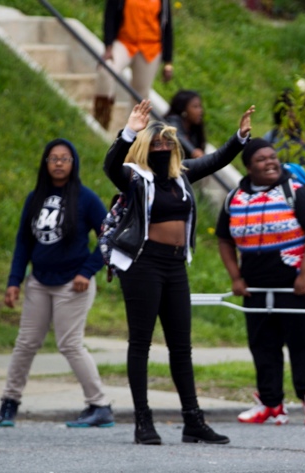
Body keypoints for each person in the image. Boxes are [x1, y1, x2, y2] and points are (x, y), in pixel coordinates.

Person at [102, 99, 254, 445]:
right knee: (141, 343)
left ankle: (193, 421)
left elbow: (216, 160)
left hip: (174, 265)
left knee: (181, 346)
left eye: (167, 143)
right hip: (143, 265)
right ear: (144, 147)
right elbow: (111, 165)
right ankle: (143, 422)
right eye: (155, 143)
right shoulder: (135, 178)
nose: (162, 148)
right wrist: (129, 132)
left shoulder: (181, 176)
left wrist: (240, 137)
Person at [0, 139, 112, 429]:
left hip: (73, 285)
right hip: (38, 282)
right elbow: (24, 242)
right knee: (26, 343)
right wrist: (14, 280)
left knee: (70, 344)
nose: (59, 163)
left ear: (73, 164)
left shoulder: (86, 199)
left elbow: (109, 237)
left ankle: (99, 405)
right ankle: (9, 402)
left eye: (65, 158)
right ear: (45, 163)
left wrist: (87, 271)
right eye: (53, 158)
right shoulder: (35, 198)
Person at [216, 138, 305, 426]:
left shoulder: (296, 192)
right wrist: (236, 277)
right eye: (261, 159)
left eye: (272, 157)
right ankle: (270, 403)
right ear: (248, 167)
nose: (270, 162)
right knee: (262, 344)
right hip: (255, 285)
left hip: (296, 282)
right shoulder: (235, 198)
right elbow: (224, 240)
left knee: (301, 341)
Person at [92, 0, 174, 130]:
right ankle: (101, 121)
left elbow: (167, 26)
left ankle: (132, 133)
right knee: (106, 70)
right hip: (125, 42)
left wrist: (168, 62)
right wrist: (108, 46)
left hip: (150, 48)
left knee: (140, 95)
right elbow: (110, 15)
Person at [165, 90, 206, 159]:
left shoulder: (194, 131)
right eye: (195, 107)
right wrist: (194, 151)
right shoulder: (172, 121)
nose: (200, 110)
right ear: (184, 109)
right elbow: (176, 134)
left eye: (200, 106)